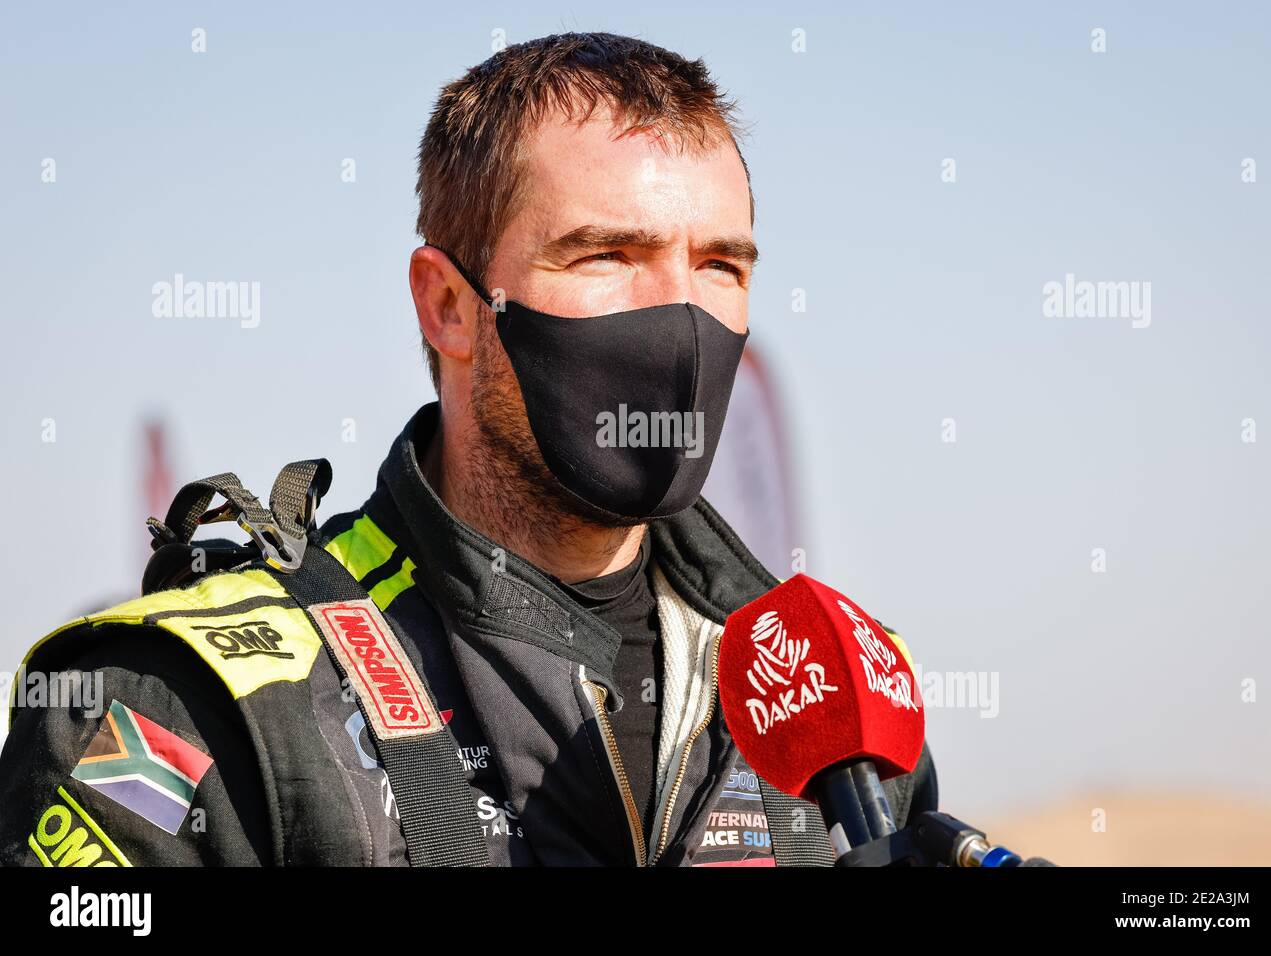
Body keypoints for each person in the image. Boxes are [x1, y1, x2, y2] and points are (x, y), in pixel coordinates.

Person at [0, 31, 937, 867]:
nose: (680, 318)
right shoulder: (191, 708)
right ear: (448, 306)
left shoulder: (839, 693)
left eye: (719, 266)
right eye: (607, 255)